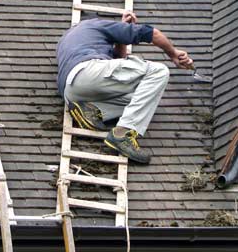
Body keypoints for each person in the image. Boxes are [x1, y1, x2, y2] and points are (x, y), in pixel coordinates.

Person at [56, 11, 193, 164]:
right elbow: (151, 33)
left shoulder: (68, 40)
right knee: (159, 72)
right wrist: (173, 53)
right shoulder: (96, 24)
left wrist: (121, 39)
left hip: (72, 92)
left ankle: (94, 109)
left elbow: (117, 66)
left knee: (144, 97)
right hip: (88, 71)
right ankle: (123, 133)